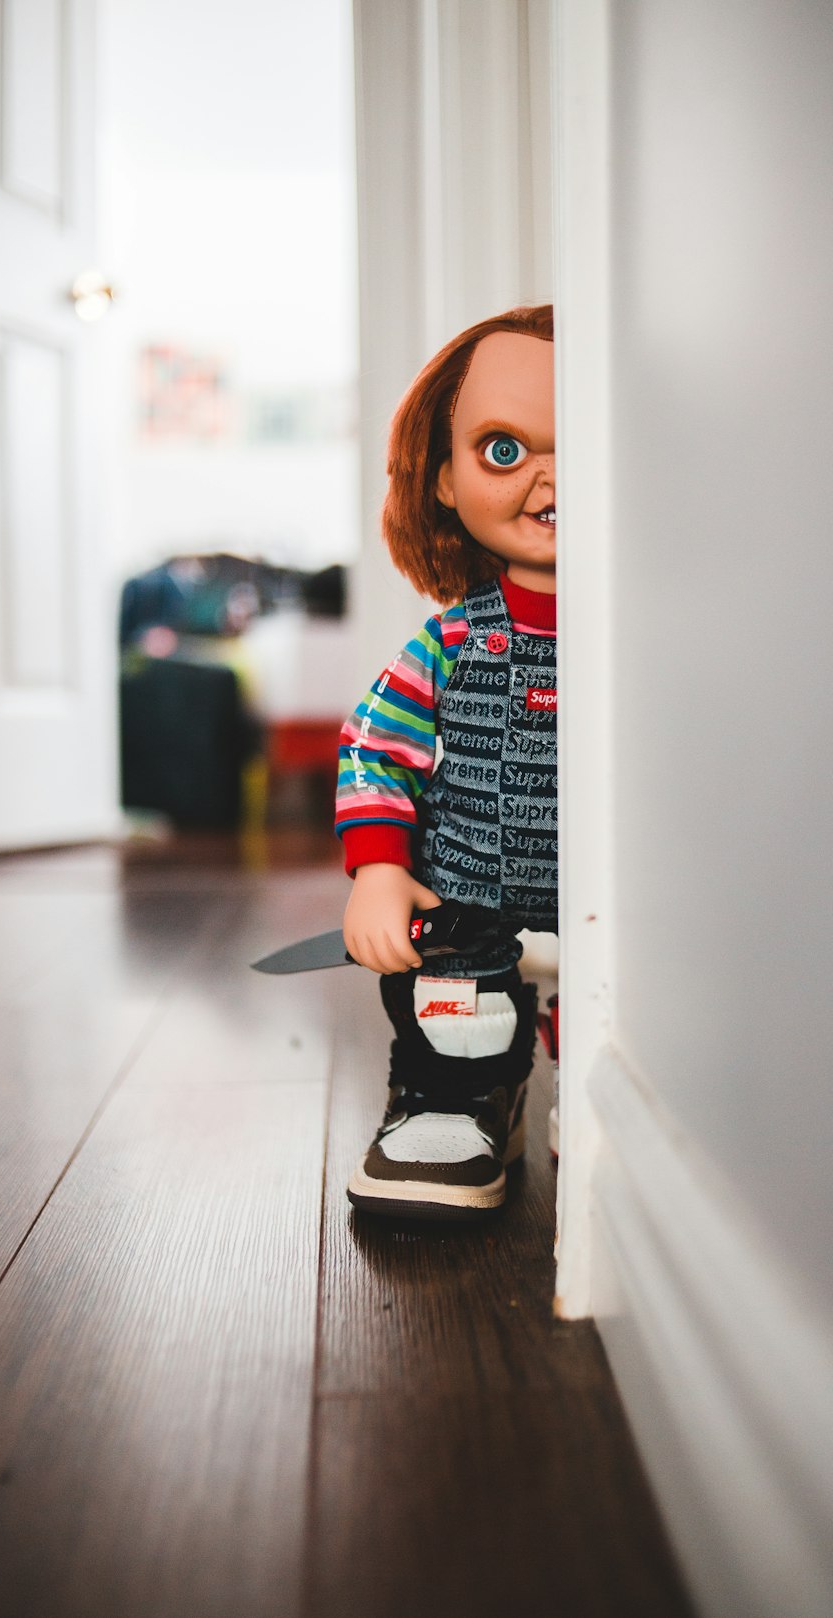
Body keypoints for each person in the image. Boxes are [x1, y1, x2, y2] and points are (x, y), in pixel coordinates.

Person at [336, 304, 556, 1220]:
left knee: (639, 1010)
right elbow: (377, 746)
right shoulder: (452, 642)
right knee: (456, 1003)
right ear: (442, 481)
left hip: (629, 894)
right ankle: (459, 1100)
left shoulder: (654, 643)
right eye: (504, 450)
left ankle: (601, 1097)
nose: (554, 480)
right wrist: (380, 869)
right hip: (468, 888)